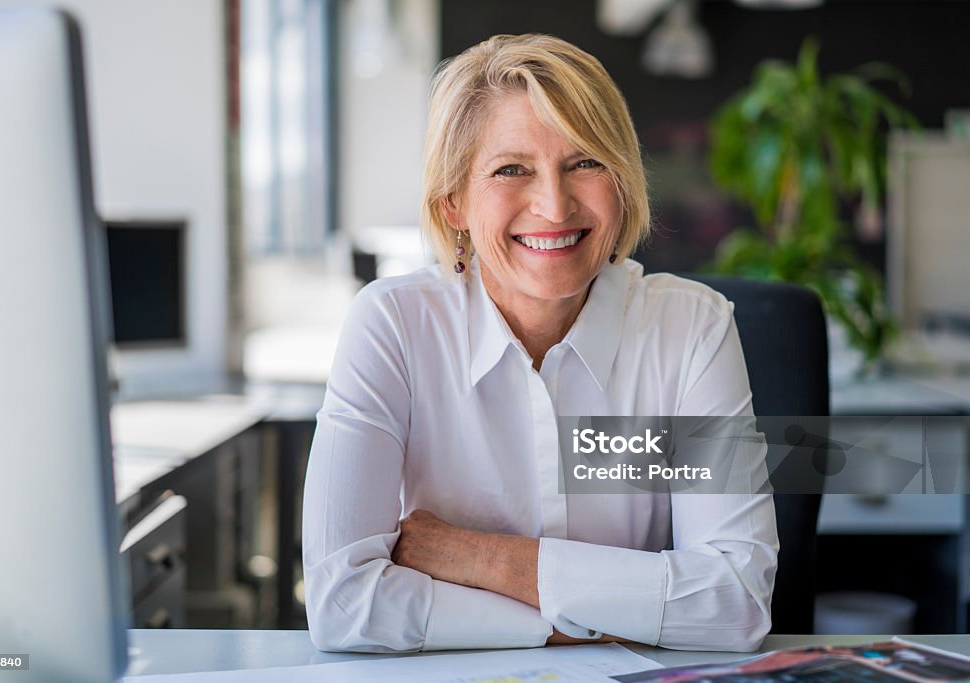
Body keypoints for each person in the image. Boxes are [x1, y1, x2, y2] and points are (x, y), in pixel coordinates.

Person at [302, 33, 778, 654]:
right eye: (510, 169)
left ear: (623, 180)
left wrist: (477, 559)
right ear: (453, 204)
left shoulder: (691, 328)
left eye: (585, 162)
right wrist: (592, 618)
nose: (554, 205)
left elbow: (735, 602)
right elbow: (344, 606)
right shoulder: (393, 324)